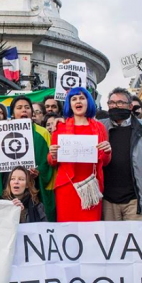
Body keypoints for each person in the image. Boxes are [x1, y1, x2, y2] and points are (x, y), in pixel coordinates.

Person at [48, 87, 111, 222]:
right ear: (69, 104)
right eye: (74, 99)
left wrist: (107, 151)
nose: (78, 101)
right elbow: (52, 162)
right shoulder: (60, 127)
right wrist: (53, 154)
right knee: (67, 229)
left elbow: (105, 162)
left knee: (91, 231)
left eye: (82, 98)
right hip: (67, 187)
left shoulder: (99, 127)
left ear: (88, 102)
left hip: (92, 187)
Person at [100, 87, 142, 221]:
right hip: (107, 199)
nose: (115, 106)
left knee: (137, 240)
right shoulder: (99, 127)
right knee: (111, 240)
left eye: (119, 103)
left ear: (130, 106)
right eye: (111, 103)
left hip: (136, 199)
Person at [0, 95, 55, 221]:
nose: (24, 110)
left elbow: (48, 162)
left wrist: (38, 171)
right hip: (8, 186)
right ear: (13, 113)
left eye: (27, 107)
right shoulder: (4, 131)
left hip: (34, 189)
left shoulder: (42, 133)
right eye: (19, 107)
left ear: (31, 112)